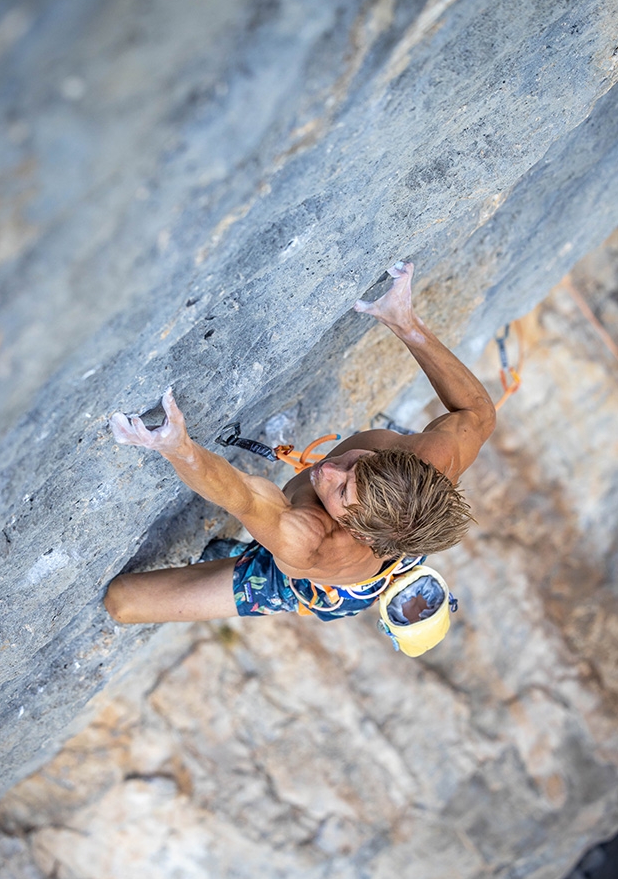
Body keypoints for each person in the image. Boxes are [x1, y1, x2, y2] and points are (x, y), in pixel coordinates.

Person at [105, 261, 496, 627]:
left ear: (354, 528)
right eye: (356, 463)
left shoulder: (311, 540)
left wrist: (176, 446)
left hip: (318, 584)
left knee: (123, 603)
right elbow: (479, 413)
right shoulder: (428, 461)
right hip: (397, 525)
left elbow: (242, 496)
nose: (328, 469)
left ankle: (238, 556)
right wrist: (405, 321)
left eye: (341, 490)